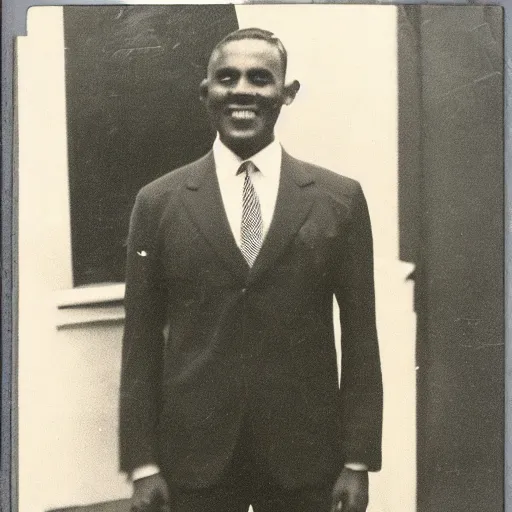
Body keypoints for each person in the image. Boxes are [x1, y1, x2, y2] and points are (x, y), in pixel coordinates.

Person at [119, 27, 383, 512]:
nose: (242, 90)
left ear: (287, 93)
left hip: (307, 463)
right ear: (206, 93)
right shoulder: (158, 202)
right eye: (227, 77)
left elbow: (361, 337)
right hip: (193, 464)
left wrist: (358, 460)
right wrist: (142, 463)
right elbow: (139, 341)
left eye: (260, 78)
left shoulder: (339, 200)